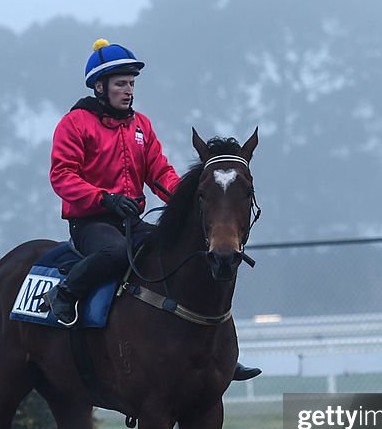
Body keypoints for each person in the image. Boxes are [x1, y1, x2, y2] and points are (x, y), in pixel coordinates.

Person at [41, 38, 260, 382]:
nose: (128, 91)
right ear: (100, 87)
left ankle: (217, 354)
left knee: (182, 254)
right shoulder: (75, 124)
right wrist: (105, 199)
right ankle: (65, 294)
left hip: (131, 221)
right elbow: (62, 175)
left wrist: (191, 199)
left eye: (131, 84)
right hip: (91, 223)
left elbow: (160, 172)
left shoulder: (141, 125)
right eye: (120, 84)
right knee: (116, 253)